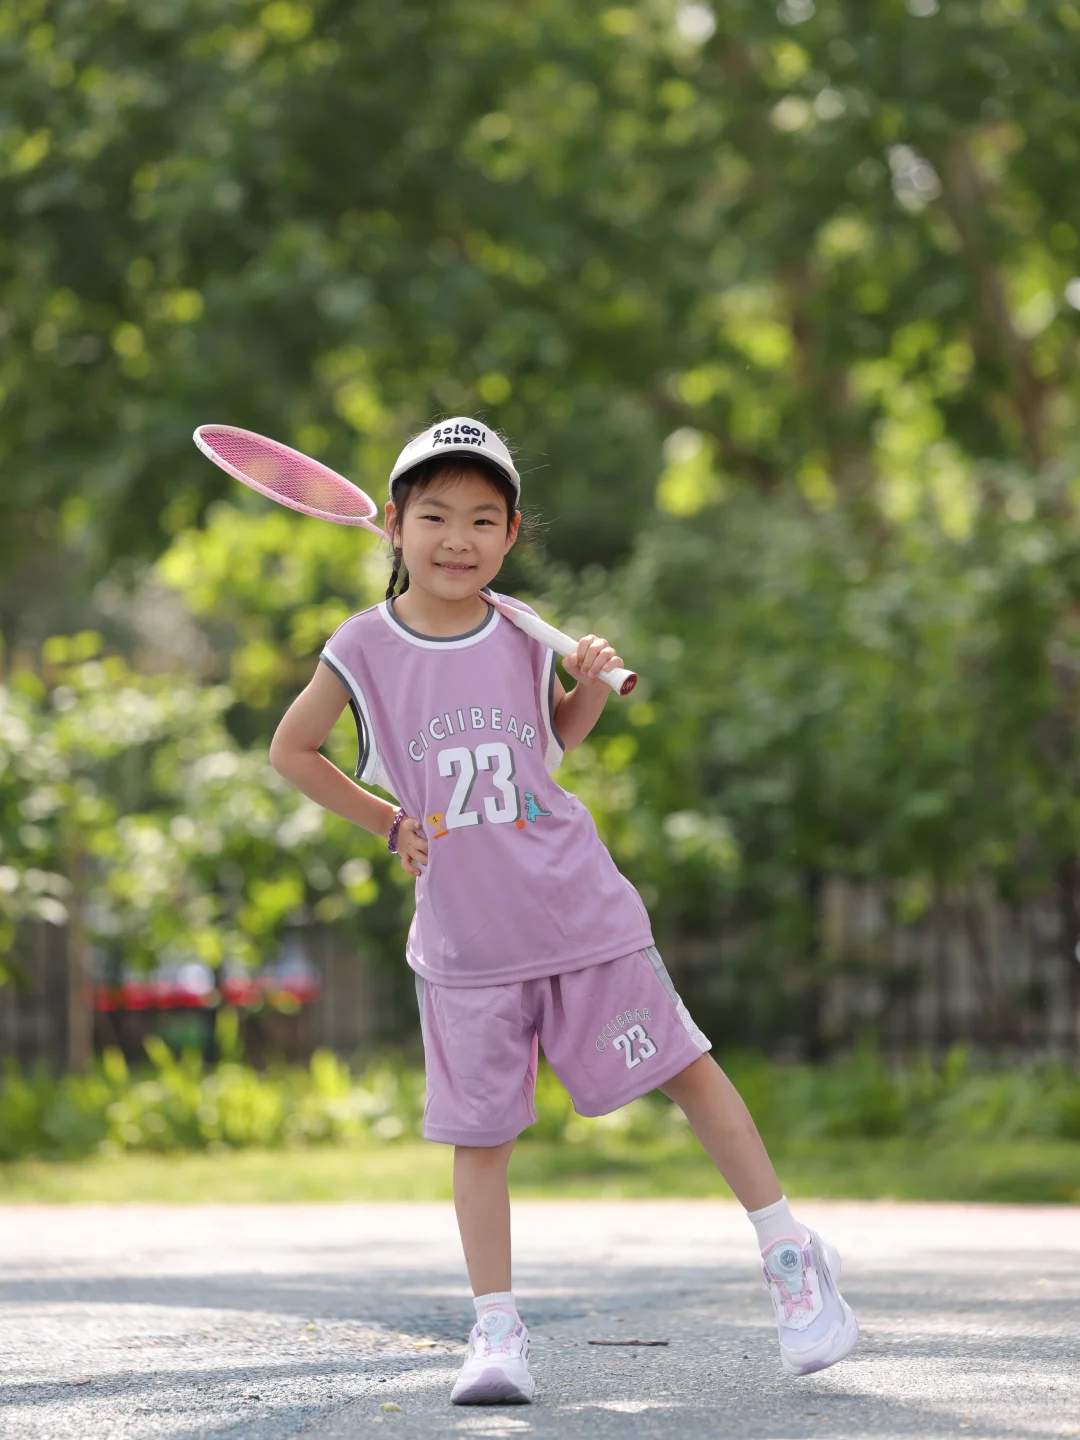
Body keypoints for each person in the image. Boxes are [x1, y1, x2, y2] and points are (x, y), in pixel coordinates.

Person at [269, 418, 859, 1404]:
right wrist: (385, 821)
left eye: (483, 520)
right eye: (437, 517)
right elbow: (293, 752)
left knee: (688, 1072)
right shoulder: (361, 646)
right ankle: (495, 1331)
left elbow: (549, 747)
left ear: (510, 535)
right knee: (480, 1138)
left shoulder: (516, 626)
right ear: (396, 527)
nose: (458, 539)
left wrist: (582, 685)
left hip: (579, 912)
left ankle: (792, 1258)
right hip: (465, 942)